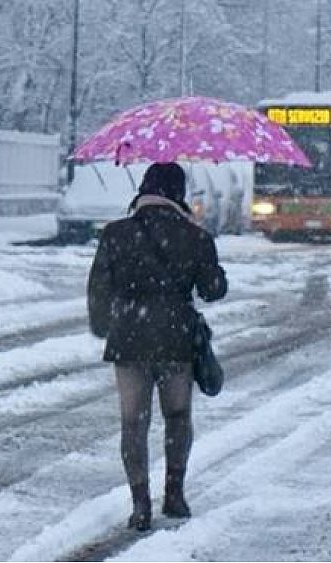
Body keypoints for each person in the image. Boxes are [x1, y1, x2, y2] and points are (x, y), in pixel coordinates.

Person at [86, 162, 228, 531]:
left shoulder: (115, 234)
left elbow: (98, 288)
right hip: (176, 339)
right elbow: (214, 290)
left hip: (129, 339)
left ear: (144, 190)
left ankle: (140, 505)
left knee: (133, 423)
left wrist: (105, 326)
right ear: (178, 193)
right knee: (177, 418)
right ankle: (175, 495)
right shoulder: (194, 237)